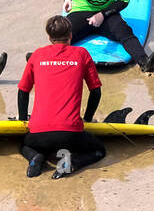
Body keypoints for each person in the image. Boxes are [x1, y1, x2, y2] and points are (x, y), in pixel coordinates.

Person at [17, 15, 107, 178]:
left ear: (49, 37)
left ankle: (35, 158)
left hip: (38, 134)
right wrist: (87, 118)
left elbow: (23, 91)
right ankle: (71, 163)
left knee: (24, 145)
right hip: (70, 134)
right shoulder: (82, 54)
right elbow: (96, 91)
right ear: (71, 35)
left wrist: (23, 120)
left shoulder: (37, 55)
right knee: (99, 150)